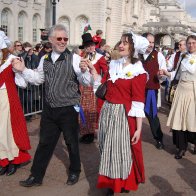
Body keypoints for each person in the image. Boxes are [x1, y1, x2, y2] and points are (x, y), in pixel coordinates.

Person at [12, 24, 98, 187]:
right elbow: (38, 79)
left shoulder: (74, 59)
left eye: (65, 39)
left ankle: (74, 171)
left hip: (68, 108)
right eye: (59, 38)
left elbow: (85, 81)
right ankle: (36, 176)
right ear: (51, 40)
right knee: (45, 143)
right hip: (50, 109)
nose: (63, 41)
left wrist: (85, 71)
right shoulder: (44, 59)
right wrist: (23, 70)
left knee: (71, 142)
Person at [96, 32, 149, 195]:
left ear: (134, 48)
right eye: (121, 42)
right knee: (108, 149)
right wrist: (92, 72)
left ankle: (118, 184)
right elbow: (104, 86)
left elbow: (138, 101)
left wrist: (139, 129)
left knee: (121, 151)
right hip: (108, 112)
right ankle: (112, 181)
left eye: (125, 43)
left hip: (124, 115)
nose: (121, 45)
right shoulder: (114, 64)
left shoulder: (138, 71)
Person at [0, 34, 31, 176]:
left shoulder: (12, 60)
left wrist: (20, 71)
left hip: (7, 98)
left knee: (7, 129)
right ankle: (3, 159)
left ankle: (12, 159)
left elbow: (22, 83)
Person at [160, 35, 196, 159]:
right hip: (181, 90)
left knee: (192, 119)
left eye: (193, 43)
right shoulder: (184, 57)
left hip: (193, 92)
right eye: (189, 43)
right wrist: (167, 73)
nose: (191, 45)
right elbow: (178, 73)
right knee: (179, 120)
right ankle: (181, 148)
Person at [78, 33, 108, 144]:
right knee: (82, 110)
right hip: (82, 87)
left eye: (92, 45)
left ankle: (90, 134)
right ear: (85, 47)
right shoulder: (81, 56)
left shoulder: (100, 58)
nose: (91, 47)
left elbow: (106, 72)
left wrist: (100, 83)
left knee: (91, 110)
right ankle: (84, 132)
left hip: (93, 87)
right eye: (88, 45)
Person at [141, 33, 167, 149]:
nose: (151, 45)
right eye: (148, 42)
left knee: (151, 114)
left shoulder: (158, 55)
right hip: (137, 89)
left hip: (151, 89)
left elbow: (163, 75)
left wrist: (160, 75)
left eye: (152, 42)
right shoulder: (137, 54)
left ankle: (159, 138)